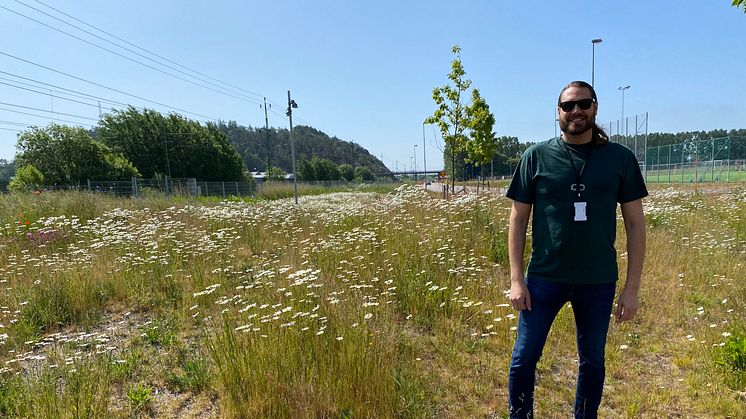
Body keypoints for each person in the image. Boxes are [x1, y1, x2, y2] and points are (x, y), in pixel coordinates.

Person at [505, 81, 647, 418]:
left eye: (583, 104)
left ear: (595, 107)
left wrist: (632, 289)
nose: (575, 111)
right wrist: (515, 279)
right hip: (543, 278)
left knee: (593, 361)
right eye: (567, 106)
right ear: (558, 113)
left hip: (597, 280)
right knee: (523, 359)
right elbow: (517, 220)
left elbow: (636, 225)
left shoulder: (620, 159)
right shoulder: (535, 157)